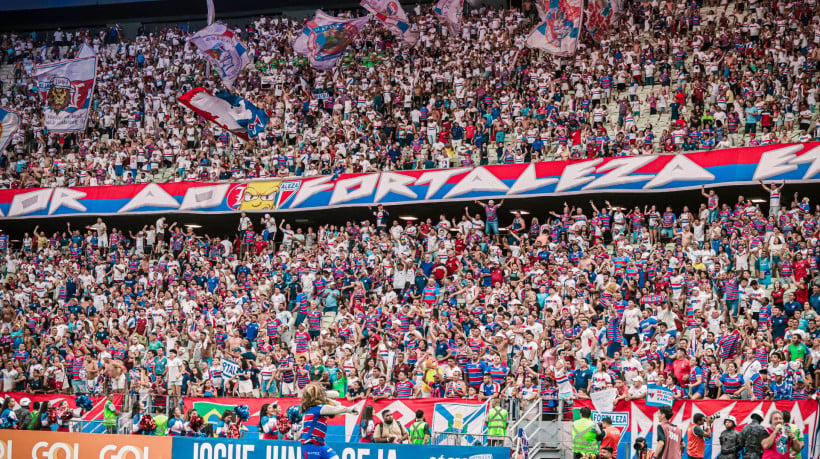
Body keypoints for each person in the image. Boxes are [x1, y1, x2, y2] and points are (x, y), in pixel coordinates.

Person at [300, 383, 359, 458]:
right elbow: (334, 409)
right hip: (310, 445)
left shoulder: (313, 409)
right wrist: (349, 409)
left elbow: (336, 394)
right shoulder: (317, 408)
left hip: (321, 444)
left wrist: (321, 394)